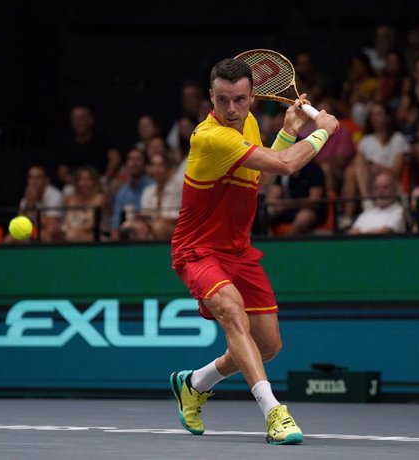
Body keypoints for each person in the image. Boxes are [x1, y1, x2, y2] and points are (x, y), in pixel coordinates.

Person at [169, 58, 339, 445]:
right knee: (232, 314)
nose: (232, 109)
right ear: (211, 97)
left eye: (240, 100)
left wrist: (287, 132)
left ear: (251, 98)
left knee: (268, 346)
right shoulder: (211, 136)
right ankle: (275, 413)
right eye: (224, 100)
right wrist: (321, 133)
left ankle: (194, 383)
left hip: (239, 250)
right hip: (198, 250)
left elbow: (257, 179)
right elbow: (285, 166)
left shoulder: (244, 124)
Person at [339, 102, 409, 229]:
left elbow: (396, 170)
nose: (375, 118)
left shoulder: (397, 138)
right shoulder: (366, 140)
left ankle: (354, 211)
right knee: (352, 168)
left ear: (388, 117)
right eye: (372, 115)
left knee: (352, 169)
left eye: (379, 114)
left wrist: (377, 166)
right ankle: (363, 204)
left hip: (389, 179)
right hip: (369, 179)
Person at [53, 105, 122, 189]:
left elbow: (115, 158)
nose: (79, 122)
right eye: (76, 119)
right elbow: (62, 172)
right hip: (76, 185)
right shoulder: (66, 143)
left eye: (83, 119)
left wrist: (106, 178)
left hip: (101, 182)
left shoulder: (102, 138)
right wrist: (77, 183)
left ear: (91, 120)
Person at [8, 165, 64, 243]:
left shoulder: (55, 195)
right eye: (30, 178)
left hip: (52, 233)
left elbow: (51, 224)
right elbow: (19, 220)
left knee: (44, 236)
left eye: (37, 178)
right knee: (9, 238)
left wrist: (32, 205)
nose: (33, 182)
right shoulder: (26, 198)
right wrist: (29, 203)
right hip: (31, 230)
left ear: (46, 180)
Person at [111, 148, 154, 240]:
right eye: (131, 159)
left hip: (148, 235)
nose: (134, 163)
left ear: (145, 164)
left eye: (138, 159)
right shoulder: (122, 192)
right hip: (126, 238)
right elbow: (116, 223)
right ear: (126, 164)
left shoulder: (152, 187)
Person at [61, 166, 108, 242]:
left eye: (88, 179)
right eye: (81, 179)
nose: (84, 183)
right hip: (72, 235)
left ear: (94, 182)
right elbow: (68, 222)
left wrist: (75, 231)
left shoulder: (99, 198)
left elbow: (91, 224)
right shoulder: (72, 199)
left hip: (95, 237)